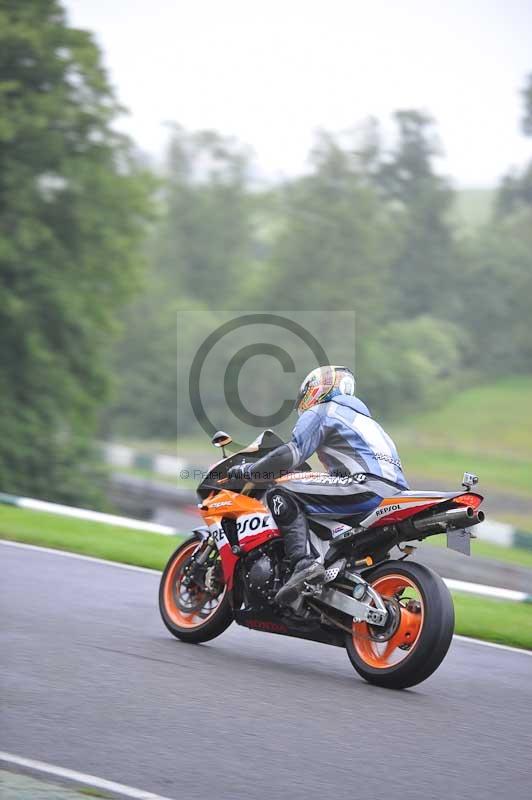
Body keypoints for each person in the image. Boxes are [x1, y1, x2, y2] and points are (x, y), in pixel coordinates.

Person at [227, 365, 408, 605]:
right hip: (395, 493)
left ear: (317, 389)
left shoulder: (323, 410)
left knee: (282, 491)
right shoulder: (369, 423)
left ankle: (305, 564)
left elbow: (291, 454)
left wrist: (251, 470)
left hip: (365, 488)